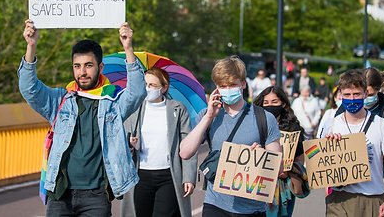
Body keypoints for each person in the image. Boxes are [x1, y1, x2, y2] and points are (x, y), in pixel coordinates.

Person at [18, 20, 146, 216]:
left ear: (100, 67)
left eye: (88, 65)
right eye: (77, 66)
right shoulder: (61, 100)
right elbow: (29, 88)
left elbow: (137, 92)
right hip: (60, 194)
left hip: (96, 196)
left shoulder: (112, 101)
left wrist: (128, 47)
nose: (82, 72)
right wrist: (31, 46)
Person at [180, 55, 282, 217]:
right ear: (216, 87)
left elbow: (279, 169)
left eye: (232, 85)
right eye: (222, 86)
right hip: (216, 204)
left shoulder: (264, 118)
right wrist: (208, 117)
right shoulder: (207, 115)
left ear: (243, 83)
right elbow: (185, 152)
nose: (227, 90)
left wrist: (261, 155)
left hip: (252, 208)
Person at [319, 69, 384, 217]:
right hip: (339, 199)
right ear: (340, 95)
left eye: (356, 94)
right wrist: (328, 146)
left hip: (372, 198)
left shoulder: (381, 124)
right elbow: (318, 162)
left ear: (365, 93)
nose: (351, 99)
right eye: (347, 95)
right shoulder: (330, 125)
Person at [121, 67, 197, 217]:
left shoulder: (178, 109)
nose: (147, 88)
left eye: (152, 85)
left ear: (164, 88)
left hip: (168, 176)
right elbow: (120, 139)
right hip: (139, 176)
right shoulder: (133, 109)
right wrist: (129, 142)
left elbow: (188, 144)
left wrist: (189, 177)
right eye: (145, 85)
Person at [336, 67, 384, 182]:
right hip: (351, 174)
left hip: (382, 173)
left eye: (370, 95)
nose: (365, 98)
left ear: (378, 89)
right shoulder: (344, 108)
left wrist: (378, 159)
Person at [253, 86, 307, 217]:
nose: (270, 106)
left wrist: (288, 171)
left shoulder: (293, 129)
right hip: (257, 184)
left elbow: (300, 160)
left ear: (283, 104)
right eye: (266, 103)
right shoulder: (253, 126)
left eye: (274, 102)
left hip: (283, 188)